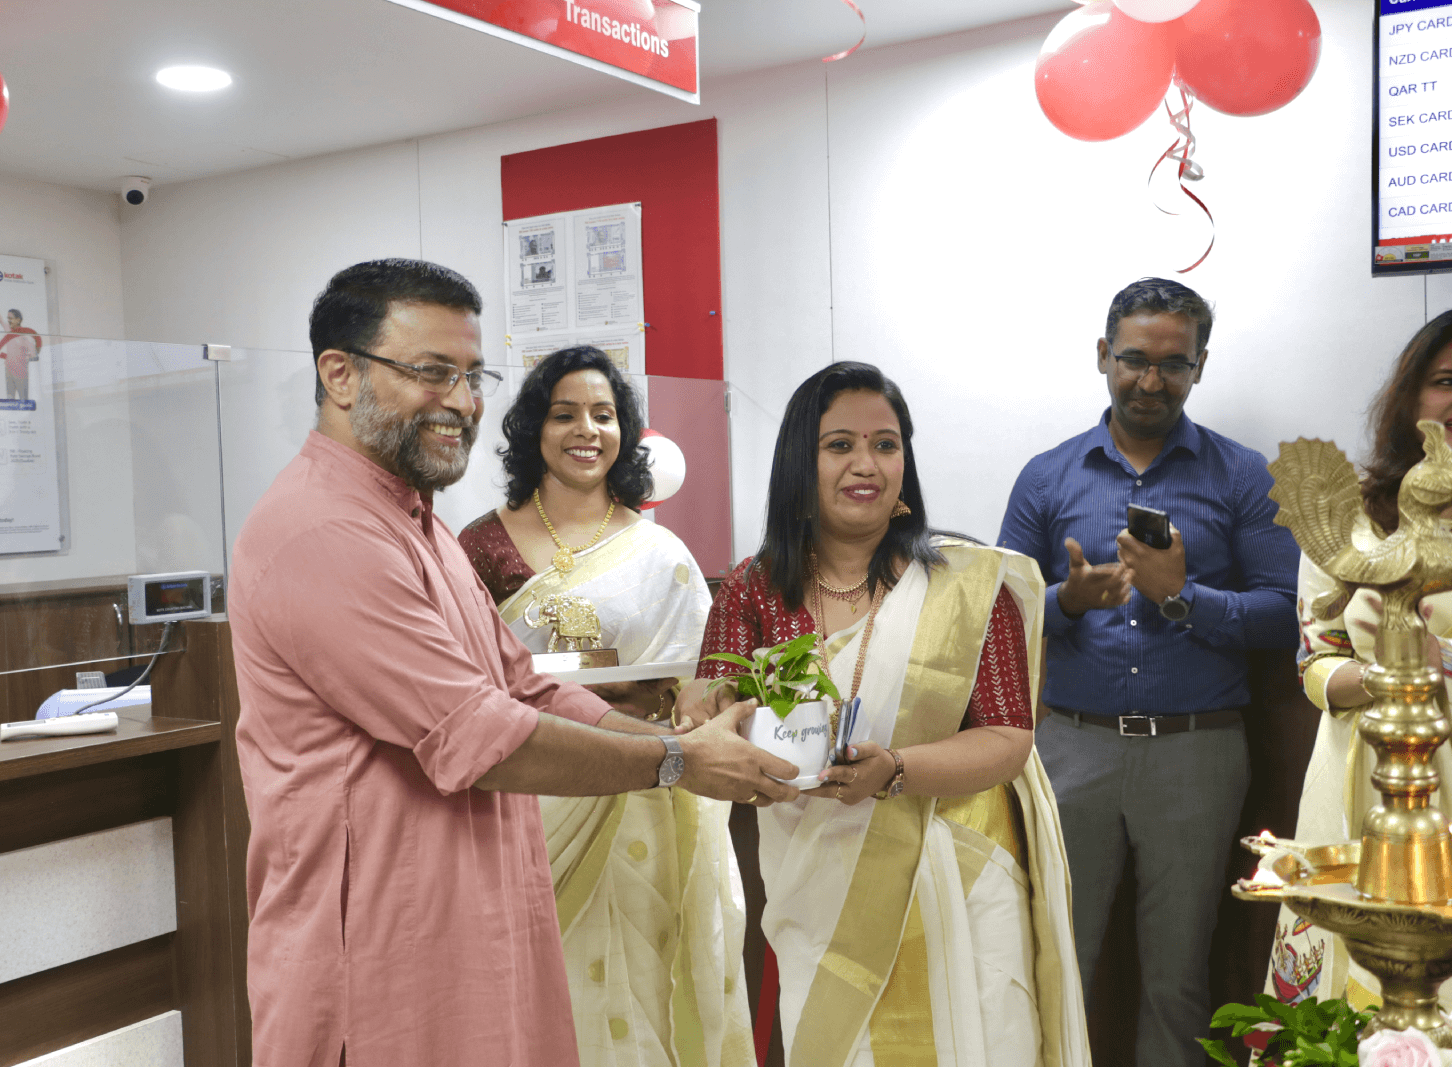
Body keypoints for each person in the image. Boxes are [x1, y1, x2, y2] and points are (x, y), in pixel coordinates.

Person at [229, 259, 799, 1067]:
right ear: (340, 374)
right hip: (380, 962)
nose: (461, 401)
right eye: (432, 372)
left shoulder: (417, 526)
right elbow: (480, 733)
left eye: (472, 375)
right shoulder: (323, 532)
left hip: (474, 927)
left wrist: (680, 734)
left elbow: (525, 684)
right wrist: (676, 760)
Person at [681, 361, 1089, 1067]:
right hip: (819, 870)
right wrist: (703, 710)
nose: (865, 464)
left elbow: (1008, 736)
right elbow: (715, 700)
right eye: (839, 444)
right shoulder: (754, 587)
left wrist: (895, 769)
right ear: (799, 461)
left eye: (886, 443)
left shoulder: (963, 585)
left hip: (957, 863)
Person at [997, 277, 1299, 1067]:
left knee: (1178, 972)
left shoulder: (1241, 475)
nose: (1151, 380)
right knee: (1057, 958)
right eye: (1134, 359)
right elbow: (999, 620)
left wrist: (1182, 598)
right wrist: (1066, 598)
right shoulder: (1047, 476)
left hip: (1196, 754)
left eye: (1174, 363)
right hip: (1071, 749)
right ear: (1104, 356)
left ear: (1199, 366)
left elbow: (1284, 613)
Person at [458, 345, 751, 1067]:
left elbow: (697, 683)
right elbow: (461, 678)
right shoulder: (482, 545)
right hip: (529, 790)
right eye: (564, 414)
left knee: (640, 981)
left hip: (643, 797)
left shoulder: (664, 554)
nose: (586, 429)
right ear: (534, 429)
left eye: (604, 414)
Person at [1265, 310, 1452, 1008]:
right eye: (1444, 381)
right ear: (1409, 397)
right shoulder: (1353, 523)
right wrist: (1391, 677)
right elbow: (1317, 660)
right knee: (1340, 1004)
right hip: (1359, 773)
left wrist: (1442, 665)